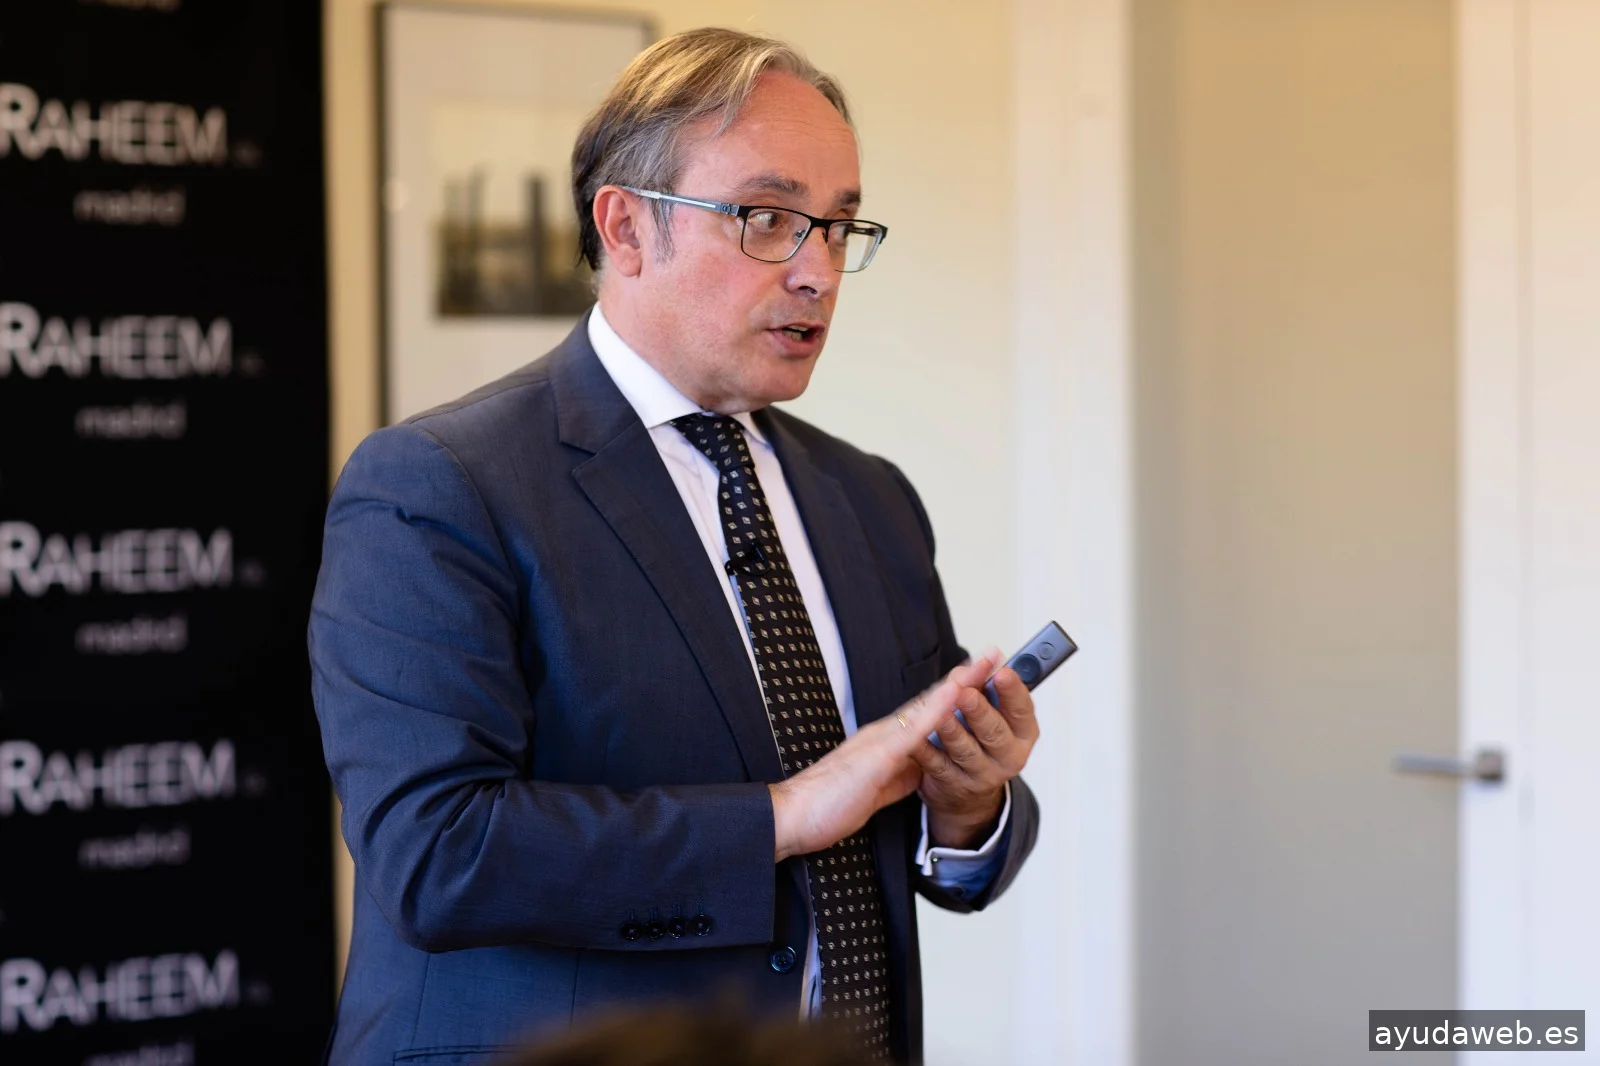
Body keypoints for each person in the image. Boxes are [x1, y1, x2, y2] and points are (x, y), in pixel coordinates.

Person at [310, 27, 1040, 1066]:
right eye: (767, 219)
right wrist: (783, 814)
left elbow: (926, 838)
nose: (817, 272)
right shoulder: (440, 484)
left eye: (839, 227)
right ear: (626, 226)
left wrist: (969, 806)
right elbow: (438, 854)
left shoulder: (870, 498)